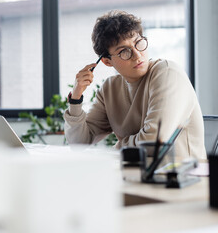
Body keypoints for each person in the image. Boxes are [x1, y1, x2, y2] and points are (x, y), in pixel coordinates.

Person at [63, 10, 206, 160]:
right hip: (133, 176)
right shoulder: (110, 89)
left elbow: (154, 142)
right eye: (124, 51)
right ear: (107, 61)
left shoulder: (167, 73)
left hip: (181, 179)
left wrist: (113, 150)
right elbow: (78, 143)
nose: (137, 55)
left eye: (138, 43)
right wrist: (76, 98)